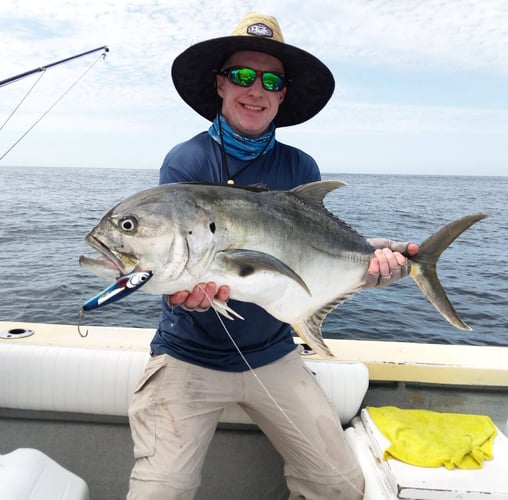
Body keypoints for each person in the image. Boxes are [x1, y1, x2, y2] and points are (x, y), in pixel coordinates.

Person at [127, 12, 418, 500]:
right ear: (220, 85)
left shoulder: (300, 167)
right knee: (159, 492)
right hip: (188, 357)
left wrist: (368, 267)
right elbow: (174, 258)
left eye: (270, 80)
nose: (254, 89)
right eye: (242, 75)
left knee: (340, 486)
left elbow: (311, 256)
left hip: (274, 354)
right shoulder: (187, 162)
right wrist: (182, 294)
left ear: (282, 95)